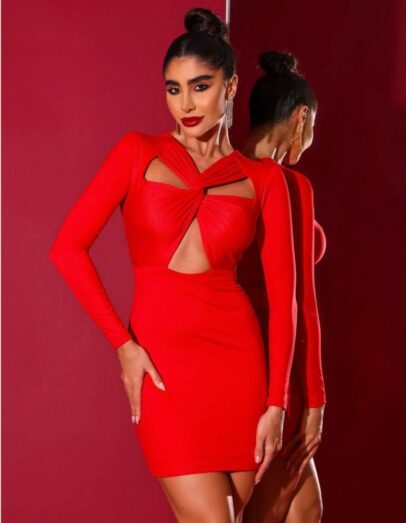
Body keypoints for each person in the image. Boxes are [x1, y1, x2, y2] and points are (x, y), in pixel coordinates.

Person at [48, 10, 297, 523]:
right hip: (164, 370)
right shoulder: (137, 152)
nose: (185, 104)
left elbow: (284, 298)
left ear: (230, 87)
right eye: (173, 89)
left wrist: (276, 403)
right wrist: (124, 346)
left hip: (239, 368)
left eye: (200, 87)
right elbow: (67, 248)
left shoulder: (264, 180)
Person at [235, 51, 327, 523]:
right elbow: (302, 302)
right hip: (274, 370)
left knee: (301, 508)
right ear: (300, 117)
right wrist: (315, 402)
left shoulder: (222, 176)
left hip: (229, 359)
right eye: (312, 127)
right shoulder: (288, 184)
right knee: (270, 513)